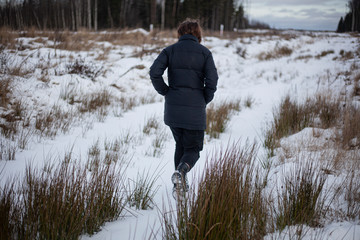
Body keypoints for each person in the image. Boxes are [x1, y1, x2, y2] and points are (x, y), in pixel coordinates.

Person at [149, 19, 218, 198]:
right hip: (195, 110)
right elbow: (212, 80)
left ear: (180, 33)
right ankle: (181, 173)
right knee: (193, 149)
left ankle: (179, 185)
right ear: (198, 34)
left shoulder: (169, 51)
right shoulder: (204, 53)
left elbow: (154, 72)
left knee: (181, 145)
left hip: (174, 109)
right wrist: (204, 99)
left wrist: (166, 92)